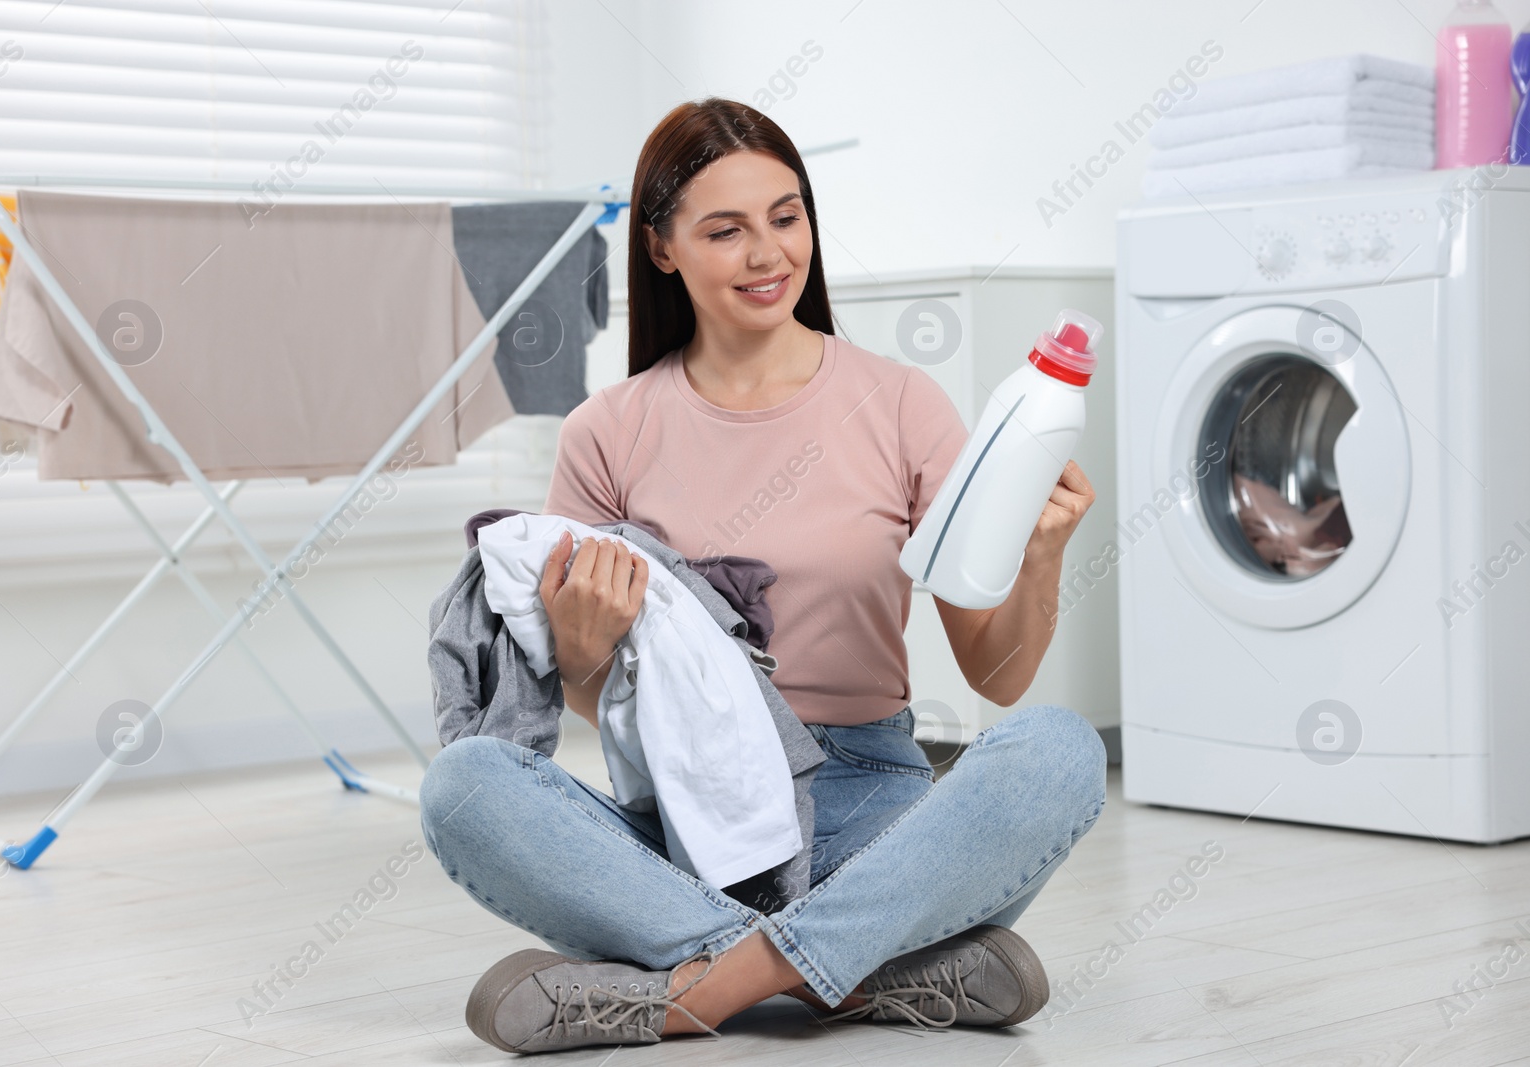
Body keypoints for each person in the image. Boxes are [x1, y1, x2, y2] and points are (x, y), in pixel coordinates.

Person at [420, 97, 1106, 1056]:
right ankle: (866, 974)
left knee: (1060, 751)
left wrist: (1042, 551)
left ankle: (690, 994)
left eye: (786, 217)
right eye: (725, 229)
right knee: (463, 785)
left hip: (875, 803)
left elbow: (998, 677)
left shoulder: (902, 403)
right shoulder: (607, 431)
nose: (768, 253)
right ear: (662, 248)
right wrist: (580, 646)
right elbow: (587, 698)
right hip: (688, 821)